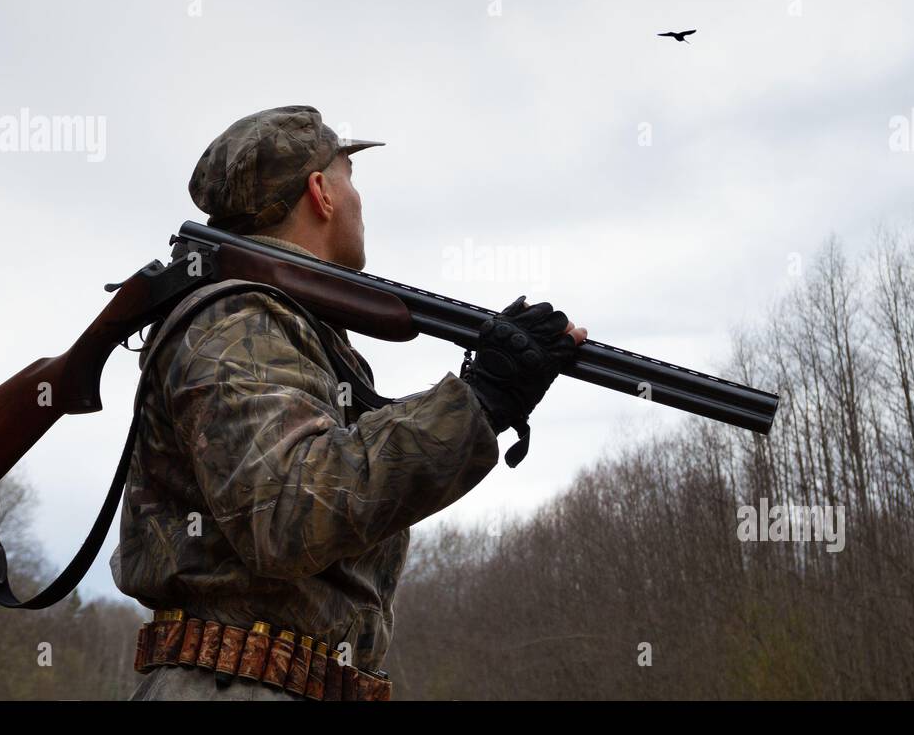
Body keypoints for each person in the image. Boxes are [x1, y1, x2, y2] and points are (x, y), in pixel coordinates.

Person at [109, 105, 586, 700]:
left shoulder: (284, 325)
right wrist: (479, 403)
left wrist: (481, 399)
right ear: (320, 193)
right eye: (350, 176)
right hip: (237, 684)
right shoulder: (238, 319)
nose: (360, 199)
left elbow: (328, 474)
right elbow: (285, 508)